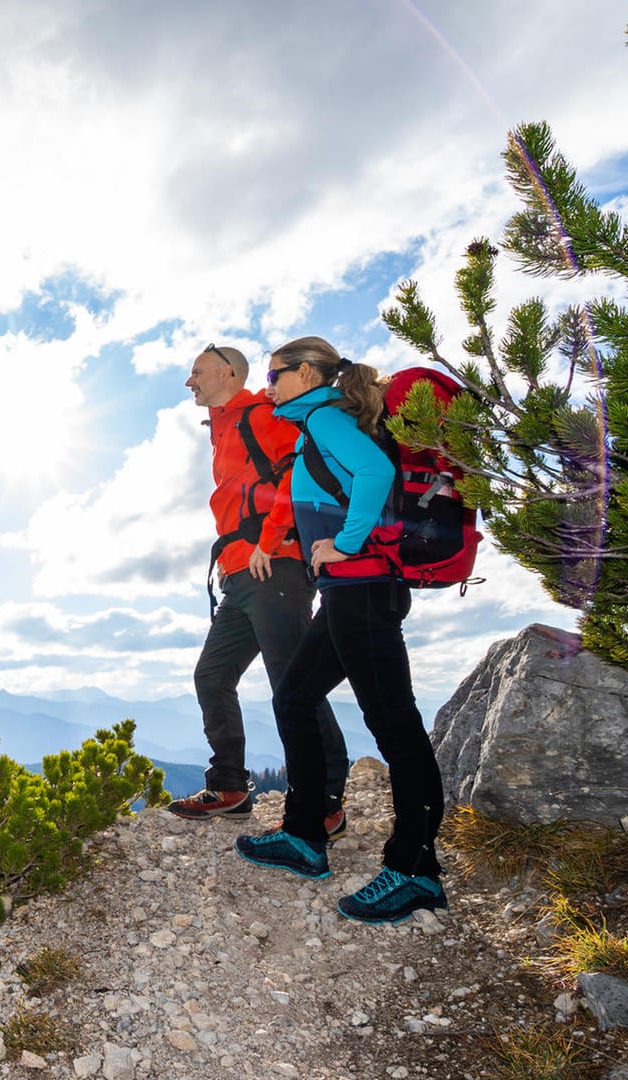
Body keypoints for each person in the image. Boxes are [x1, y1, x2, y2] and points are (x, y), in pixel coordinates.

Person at [234, 336, 449, 925]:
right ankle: (305, 836)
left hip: (364, 592)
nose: (270, 384)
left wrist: (346, 544)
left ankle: (415, 870)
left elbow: (376, 472)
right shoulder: (319, 424)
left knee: (394, 726)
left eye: (276, 373)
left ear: (307, 373)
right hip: (347, 595)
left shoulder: (327, 419)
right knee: (296, 697)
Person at [169, 343, 349, 839]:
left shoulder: (261, 414)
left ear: (228, 373)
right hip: (241, 575)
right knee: (212, 674)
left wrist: (268, 543)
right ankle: (229, 787)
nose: (190, 382)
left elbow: (297, 474)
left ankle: (328, 797)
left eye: (197, 372)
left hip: (276, 568)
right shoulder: (225, 426)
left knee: (294, 683)